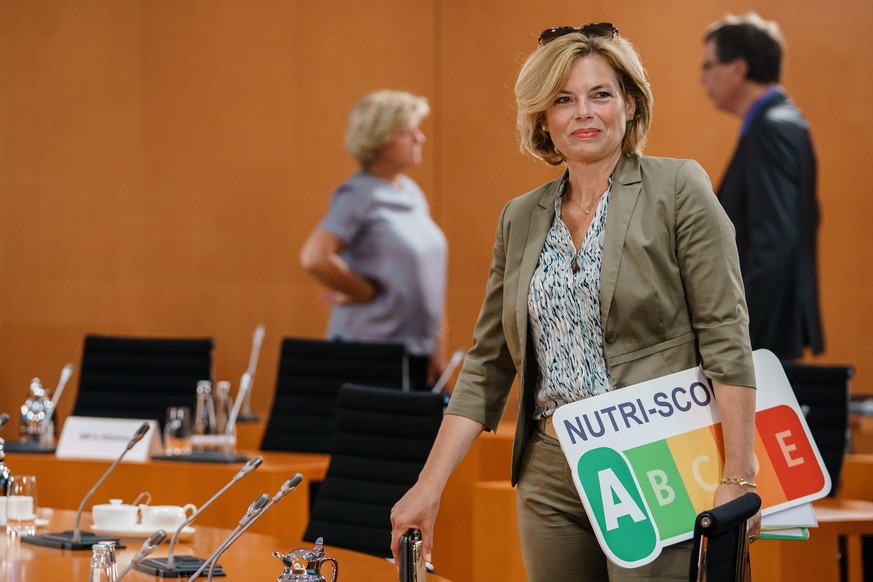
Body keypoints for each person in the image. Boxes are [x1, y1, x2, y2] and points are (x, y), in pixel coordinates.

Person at [390, 23, 760, 581]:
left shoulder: (679, 188)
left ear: (630, 104)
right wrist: (428, 485)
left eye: (600, 94)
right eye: (563, 100)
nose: (583, 113)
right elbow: (489, 364)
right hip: (550, 470)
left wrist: (739, 474)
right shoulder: (520, 216)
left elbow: (726, 336)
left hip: (655, 459)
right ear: (543, 118)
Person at [299, 90, 448, 391]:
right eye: (407, 132)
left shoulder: (410, 192)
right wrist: (364, 291)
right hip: (371, 354)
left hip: (415, 351)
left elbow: (429, 277)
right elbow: (315, 257)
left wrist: (436, 347)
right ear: (378, 140)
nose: (420, 138)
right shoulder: (358, 195)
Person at [700, 13, 824, 361]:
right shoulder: (782, 121)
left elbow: (773, 240)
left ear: (738, 68)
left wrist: (739, 333)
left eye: (708, 65)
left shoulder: (772, 128)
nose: (701, 78)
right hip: (771, 318)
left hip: (762, 325)